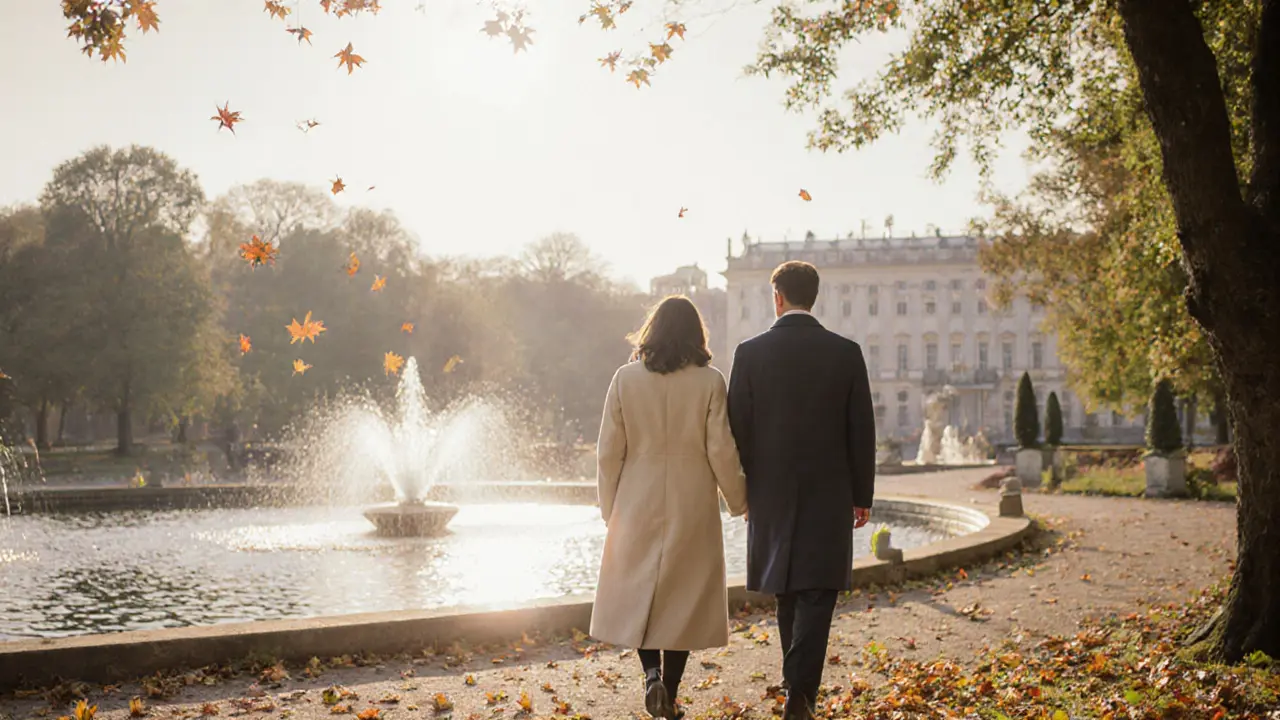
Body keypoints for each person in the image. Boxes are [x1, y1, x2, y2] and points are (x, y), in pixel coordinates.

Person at [726, 261, 876, 720]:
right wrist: (862, 494)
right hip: (829, 491)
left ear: (777, 297)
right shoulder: (846, 352)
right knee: (817, 592)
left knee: (787, 592)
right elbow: (861, 429)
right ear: (814, 297)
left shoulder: (749, 353)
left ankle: (797, 690)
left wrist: (745, 488)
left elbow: (737, 430)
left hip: (770, 492)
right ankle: (798, 694)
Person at [590, 295, 748, 720]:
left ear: (651, 332)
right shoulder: (710, 381)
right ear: (697, 334)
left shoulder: (624, 380)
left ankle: (650, 676)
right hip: (692, 498)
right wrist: (738, 500)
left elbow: (607, 453)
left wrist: (610, 508)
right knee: (684, 597)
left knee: (642, 589)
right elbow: (721, 449)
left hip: (636, 497)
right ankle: (671, 694)